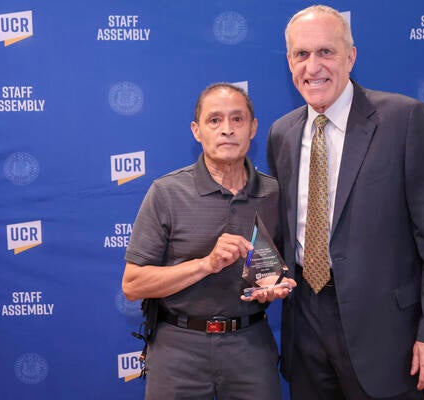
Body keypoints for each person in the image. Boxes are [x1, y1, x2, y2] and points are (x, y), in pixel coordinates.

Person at [266, 5, 424, 400]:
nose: (313, 66)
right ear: (289, 62)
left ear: (350, 56)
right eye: (302, 54)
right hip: (304, 325)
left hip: (386, 335)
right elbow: (282, 229)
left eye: (326, 52)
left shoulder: (404, 119)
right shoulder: (281, 134)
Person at [122, 83, 295, 400]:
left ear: (253, 128)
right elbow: (133, 284)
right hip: (178, 350)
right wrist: (206, 264)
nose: (227, 130)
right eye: (214, 120)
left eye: (237, 120)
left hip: (250, 347)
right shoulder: (166, 192)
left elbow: (281, 268)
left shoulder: (274, 193)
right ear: (196, 130)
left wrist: (274, 285)